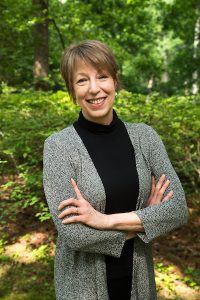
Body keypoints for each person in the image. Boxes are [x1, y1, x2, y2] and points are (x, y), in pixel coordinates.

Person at [43, 40, 188, 300]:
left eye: (102, 76)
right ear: (72, 91)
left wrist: (103, 220)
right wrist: (145, 219)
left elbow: (177, 209)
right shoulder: (58, 146)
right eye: (82, 80)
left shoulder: (146, 137)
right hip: (82, 287)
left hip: (139, 282)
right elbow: (74, 234)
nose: (94, 89)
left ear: (115, 82)